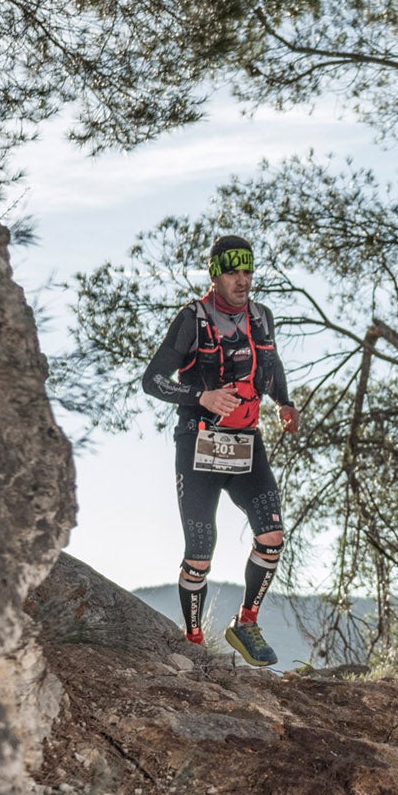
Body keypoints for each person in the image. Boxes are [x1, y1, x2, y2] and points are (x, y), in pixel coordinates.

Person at [141, 234, 301, 668]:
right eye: (233, 272)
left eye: (248, 271)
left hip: (247, 443)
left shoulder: (262, 318)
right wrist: (201, 397)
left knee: (272, 536)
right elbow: (152, 379)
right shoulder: (191, 320)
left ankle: (245, 622)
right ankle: (193, 643)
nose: (243, 280)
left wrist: (284, 403)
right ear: (216, 275)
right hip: (198, 444)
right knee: (200, 550)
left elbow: (271, 367)